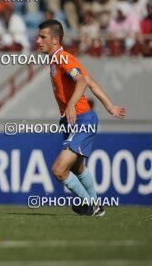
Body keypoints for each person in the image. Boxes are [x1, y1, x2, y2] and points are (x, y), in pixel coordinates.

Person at [36, 19, 126, 216]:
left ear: (55, 39)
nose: (38, 40)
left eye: (43, 37)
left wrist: (70, 105)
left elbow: (81, 82)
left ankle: (90, 205)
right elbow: (90, 81)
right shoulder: (57, 60)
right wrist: (109, 106)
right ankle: (96, 206)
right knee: (77, 168)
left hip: (82, 120)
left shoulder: (63, 58)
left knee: (59, 170)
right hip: (72, 121)